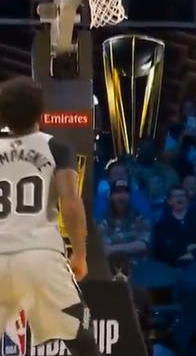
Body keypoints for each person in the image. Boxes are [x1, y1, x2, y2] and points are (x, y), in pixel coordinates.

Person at [0, 77, 99, 356]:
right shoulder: (56, 147)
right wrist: (79, 253)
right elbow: (70, 202)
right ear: (41, 111)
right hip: (40, 254)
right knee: (82, 342)